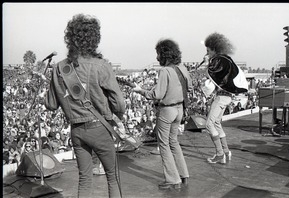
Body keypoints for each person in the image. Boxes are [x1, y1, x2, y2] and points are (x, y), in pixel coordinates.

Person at [44, 13, 125, 198]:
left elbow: (50, 104)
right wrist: (115, 114)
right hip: (99, 129)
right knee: (113, 178)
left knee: (84, 179)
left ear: (71, 38)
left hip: (77, 131)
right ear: (95, 39)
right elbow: (119, 103)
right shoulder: (101, 65)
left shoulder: (60, 67)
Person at [132, 39, 191, 190]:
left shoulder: (165, 71)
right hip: (180, 109)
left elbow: (157, 94)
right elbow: (187, 87)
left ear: (164, 54)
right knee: (174, 141)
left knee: (163, 144)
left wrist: (141, 91)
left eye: (158, 54)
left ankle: (172, 179)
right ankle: (184, 175)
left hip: (167, 110)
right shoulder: (182, 68)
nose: (157, 58)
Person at [202, 32, 248, 164]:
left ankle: (219, 153)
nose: (207, 53)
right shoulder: (225, 59)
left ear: (214, 49)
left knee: (209, 124)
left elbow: (213, 75)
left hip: (222, 97)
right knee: (216, 123)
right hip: (226, 97)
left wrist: (207, 63)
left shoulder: (219, 60)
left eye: (208, 51)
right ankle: (226, 151)